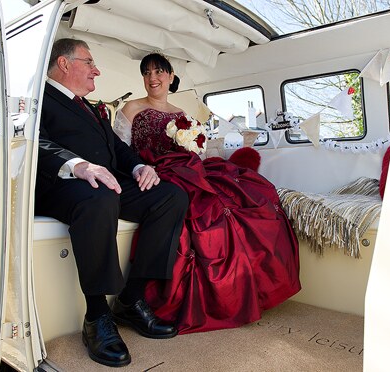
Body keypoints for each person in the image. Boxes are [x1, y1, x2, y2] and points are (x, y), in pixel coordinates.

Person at [115, 53, 301, 334]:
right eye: (147, 73)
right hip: (152, 171)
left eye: (158, 72)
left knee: (247, 195)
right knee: (196, 211)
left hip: (185, 168)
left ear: (170, 76)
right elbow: (120, 152)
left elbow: (193, 149)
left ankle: (245, 288)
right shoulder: (130, 108)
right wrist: (142, 169)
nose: (153, 78)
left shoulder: (181, 114)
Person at [35, 39, 189, 368]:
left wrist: (138, 167)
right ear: (64, 64)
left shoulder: (89, 107)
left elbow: (118, 148)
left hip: (106, 182)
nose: (97, 70)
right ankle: (97, 315)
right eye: (89, 62)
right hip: (61, 185)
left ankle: (131, 300)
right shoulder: (36, 97)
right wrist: (76, 164)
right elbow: (33, 142)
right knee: (100, 198)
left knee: (170, 196)